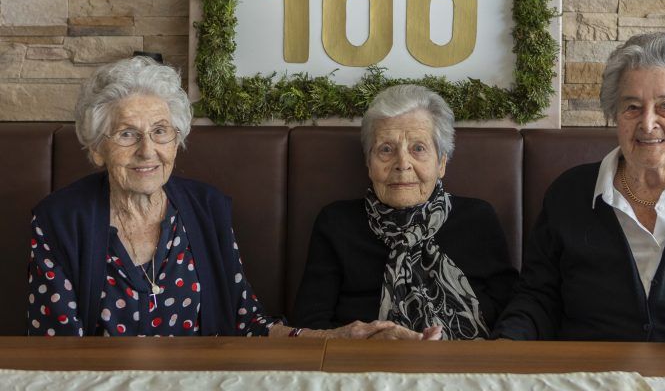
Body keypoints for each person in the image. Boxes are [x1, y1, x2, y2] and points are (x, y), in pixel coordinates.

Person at [27, 56, 419, 339]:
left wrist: (337, 337)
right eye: (128, 134)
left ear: (177, 140)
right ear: (97, 148)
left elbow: (246, 324)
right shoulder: (59, 222)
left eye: (161, 131)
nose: (148, 151)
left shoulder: (206, 210)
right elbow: (56, 353)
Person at [492, 32, 665, 350]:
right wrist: (505, 344)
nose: (647, 123)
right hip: (588, 376)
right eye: (632, 107)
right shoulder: (569, 194)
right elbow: (537, 298)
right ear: (615, 116)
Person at [293, 84, 517, 339]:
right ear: (368, 163)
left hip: (465, 363)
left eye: (418, 148)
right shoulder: (336, 223)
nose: (402, 164)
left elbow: (510, 311)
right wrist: (367, 340)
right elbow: (309, 323)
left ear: (441, 163)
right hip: (366, 365)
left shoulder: (477, 219)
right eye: (386, 149)